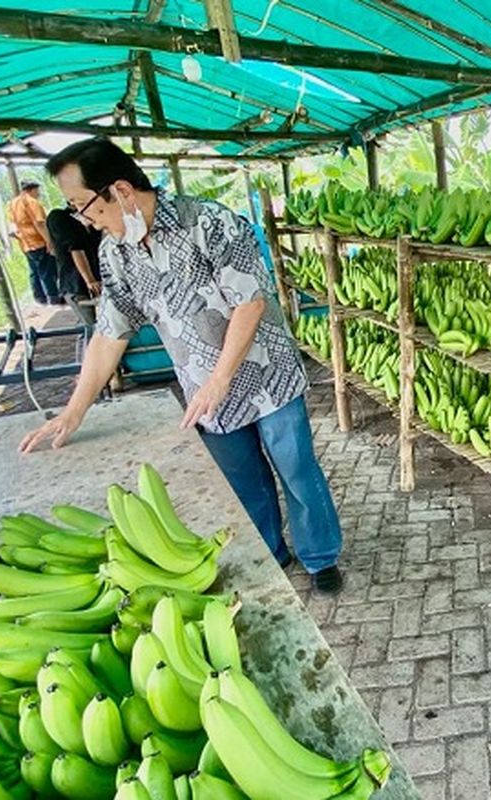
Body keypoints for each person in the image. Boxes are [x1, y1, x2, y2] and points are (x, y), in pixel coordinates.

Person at [18, 138, 344, 594]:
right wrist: (74, 411)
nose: (85, 220)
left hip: (267, 375)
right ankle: (272, 552)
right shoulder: (115, 254)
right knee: (243, 483)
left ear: (121, 191)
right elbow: (111, 331)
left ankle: (320, 556)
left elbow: (249, 302)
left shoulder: (208, 221)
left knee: (296, 469)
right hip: (203, 390)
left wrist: (220, 378)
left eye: (84, 206)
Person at [8, 180, 60, 305]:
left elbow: (12, 226)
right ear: (31, 190)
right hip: (38, 240)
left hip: (25, 243)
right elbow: (39, 223)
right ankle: (53, 296)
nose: (39, 193)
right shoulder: (32, 202)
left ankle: (39, 297)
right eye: (37, 190)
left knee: (34, 271)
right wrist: (49, 241)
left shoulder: (12, 204)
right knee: (47, 269)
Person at [47, 204, 102, 298]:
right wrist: (90, 280)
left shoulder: (90, 220)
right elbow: (76, 249)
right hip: (77, 285)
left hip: (97, 278)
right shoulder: (60, 217)